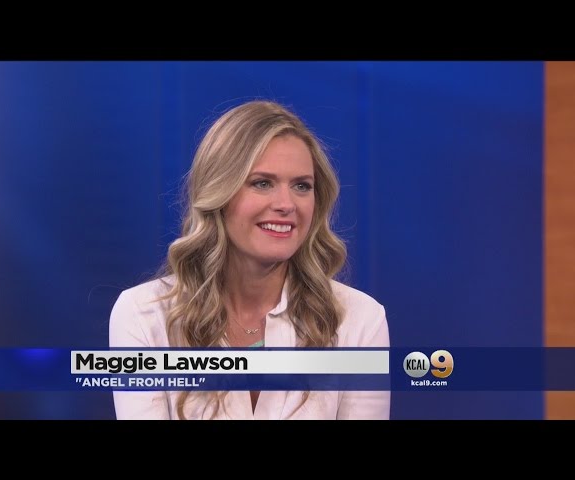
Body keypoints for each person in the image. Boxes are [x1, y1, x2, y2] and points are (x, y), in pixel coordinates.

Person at [109, 100, 390, 419]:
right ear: (219, 193)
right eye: (262, 183)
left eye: (301, 186)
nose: (286, 204)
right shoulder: (144, 315)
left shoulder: (359, 320)